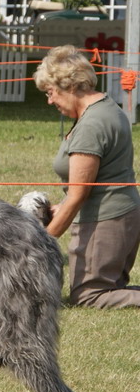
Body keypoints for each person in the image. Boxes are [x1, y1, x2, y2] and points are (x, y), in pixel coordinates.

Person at [34, 45, 140, 308]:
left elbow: (78, 195)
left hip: (105, 220)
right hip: (121, 214)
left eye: (50, 93)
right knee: (107, 287)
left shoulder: (91, 125)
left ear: (69, 86)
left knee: (90, 296)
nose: (49, 101)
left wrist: (39, 244)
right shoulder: (107, 107)